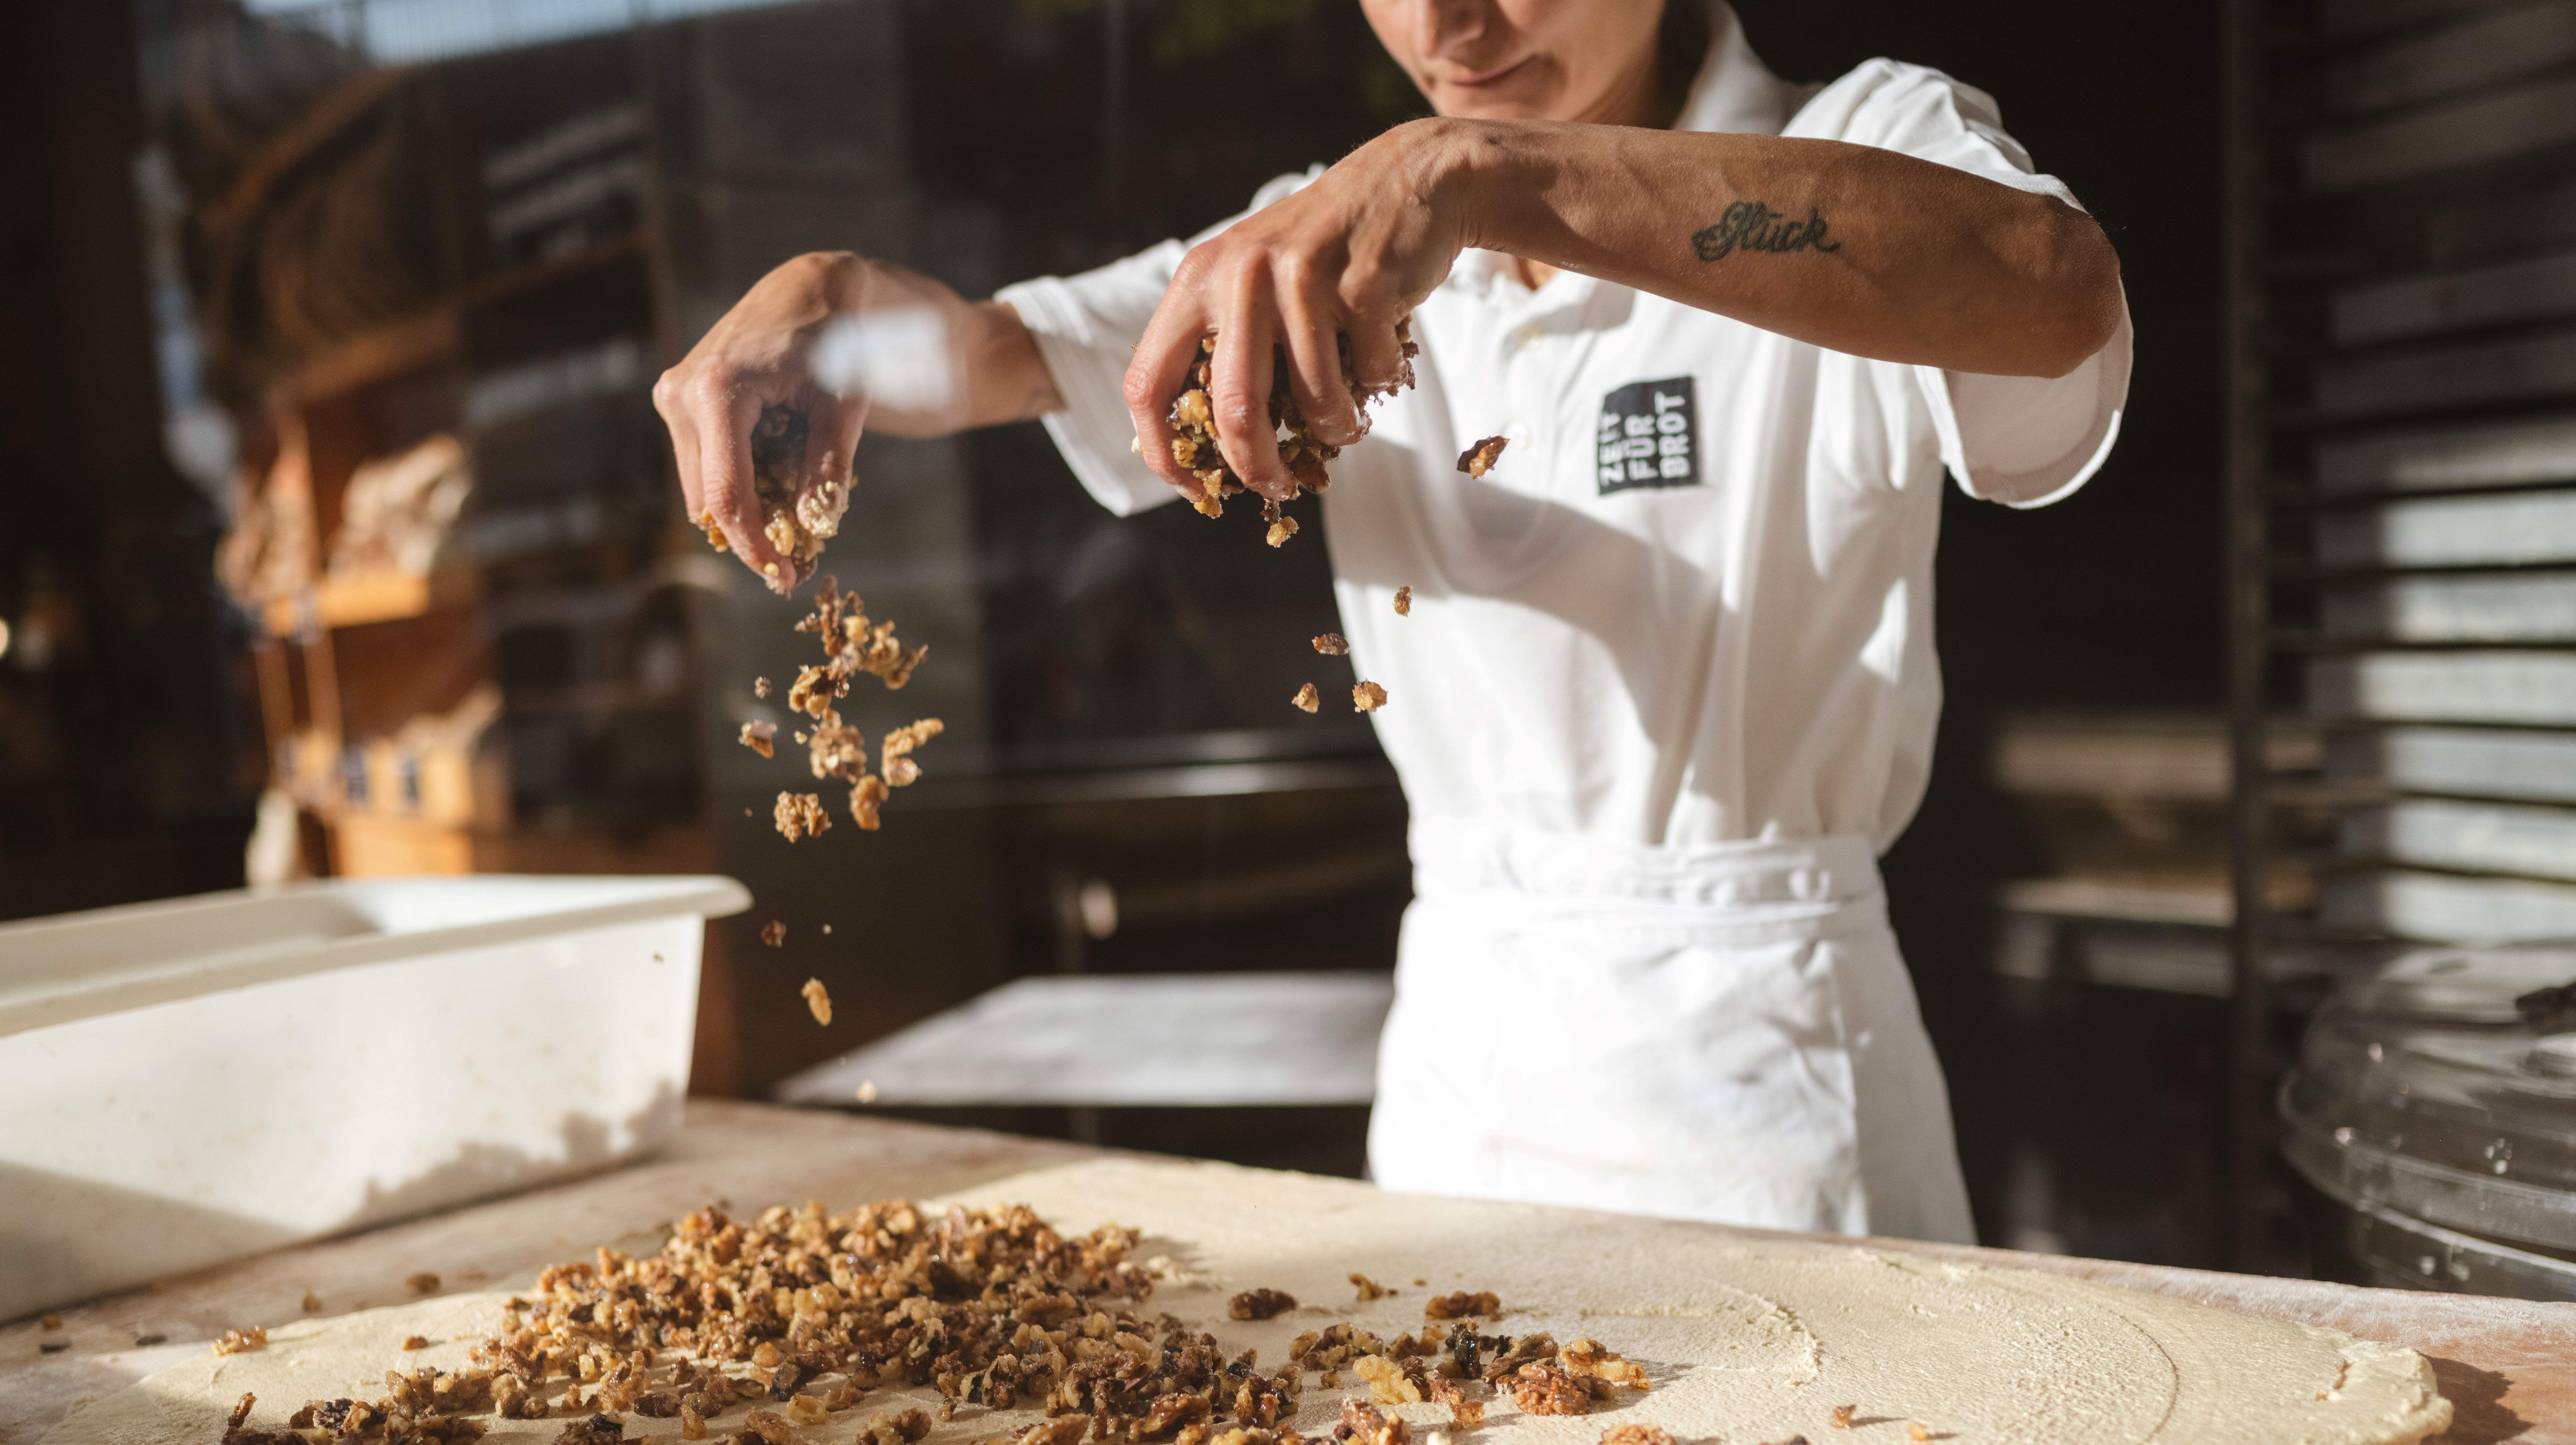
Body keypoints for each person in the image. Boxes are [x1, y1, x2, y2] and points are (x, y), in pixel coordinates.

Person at [653, 0, 2130, 1243]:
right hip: (1458, 1096)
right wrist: (836, 304)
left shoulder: (1855, 140)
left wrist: (1483, 170)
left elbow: (2052, 290)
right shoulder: (1328, 246)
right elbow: (990, 355)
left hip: (1770, 1097)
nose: (1447, 26)